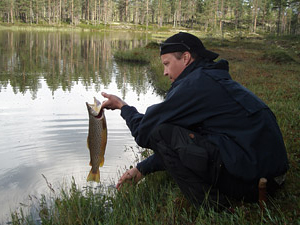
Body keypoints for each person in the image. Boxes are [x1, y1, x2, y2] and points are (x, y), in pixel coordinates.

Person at [101, 32, 289, 209]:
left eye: (167, 63)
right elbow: (189, 137)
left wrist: (122, 106)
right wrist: (143, 168)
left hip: (254, 183)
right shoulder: (209, 78)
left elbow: (145, 132)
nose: (165, 72)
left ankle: (214, 206)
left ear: (185, 58)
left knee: (161, 132)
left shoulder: (194, 85)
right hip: (270, 176)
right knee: (181, 131)